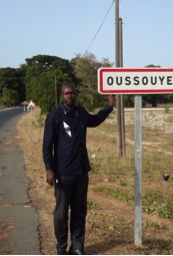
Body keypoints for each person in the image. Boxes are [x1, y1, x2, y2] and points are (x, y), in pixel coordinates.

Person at [42, 83, 115, 255]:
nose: (70, 96)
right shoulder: (54, 117)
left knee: (79, 212)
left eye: (72, 93)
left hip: (81, 172)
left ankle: (77, 247)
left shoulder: (81, 113)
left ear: (76, 95)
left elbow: (95, 120)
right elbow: (47, 146)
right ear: (62, 96)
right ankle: (61, 249)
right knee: (61, 214)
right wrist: (49, 169)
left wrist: (109, 107)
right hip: (62, 173)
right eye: (67, 93)